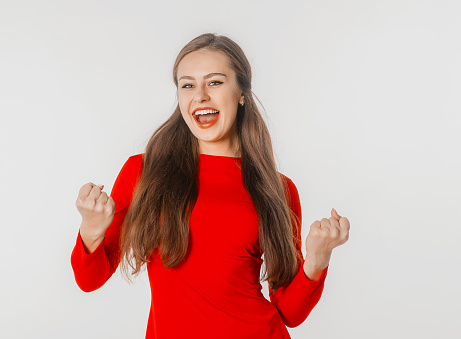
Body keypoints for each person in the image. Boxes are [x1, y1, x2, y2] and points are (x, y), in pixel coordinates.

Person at [71, 33, 350, 339]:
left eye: (215, 82)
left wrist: (318, 259)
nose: (200, 96)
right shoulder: (144, 171)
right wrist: (92, 229)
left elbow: (290, 313)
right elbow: (89, 279)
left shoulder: (277, 188)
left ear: (241, 93)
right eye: (187, 85)